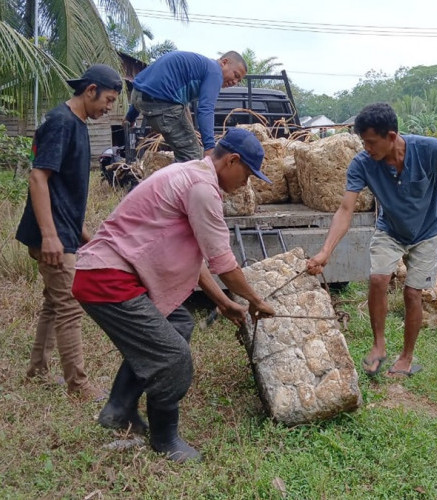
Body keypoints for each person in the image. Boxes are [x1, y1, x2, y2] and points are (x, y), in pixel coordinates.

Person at [72, 127, 276, 463]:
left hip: (115, 272)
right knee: (172, 357)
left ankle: (119, 409)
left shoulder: (190, 175)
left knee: (178, 323)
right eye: (248, 174)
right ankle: (165, 440)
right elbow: (222, 262)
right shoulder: (202, 188)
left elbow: (196, 261)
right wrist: (254, 299)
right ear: (232, 160)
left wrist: (224, 302)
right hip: (108, 278)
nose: (246, 182)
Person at [306, 103, 437, 378]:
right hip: (390, 229)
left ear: (391, 136)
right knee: (379, 279)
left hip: (427, 231)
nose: (366, 148)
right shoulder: (362, 164)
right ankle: (379, 345)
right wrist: (325, 251)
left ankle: (406, 357)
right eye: (363, 142)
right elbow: (346, 210)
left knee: (412, 293)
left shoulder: (429, 149)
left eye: (370, 142)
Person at [17, 64, 123, 401]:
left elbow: (63, 190)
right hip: (52, 235)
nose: (109, 108)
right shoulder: (61, 123)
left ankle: (37, 371)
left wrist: (84, 235)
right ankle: (78, 386)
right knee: (69, 305)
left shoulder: (75, 124)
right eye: (107, 99)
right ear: (90, 90)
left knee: (54, 303)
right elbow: (38, 178)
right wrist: (50, 236)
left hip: (64, 231)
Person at [124, 50, 248, 162]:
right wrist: (210, 147)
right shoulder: (215, 72)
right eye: (236, 75)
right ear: (224, 62)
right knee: (193, 157)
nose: (235, 82)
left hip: (137, 95)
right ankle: (166, 186)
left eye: (239, 80)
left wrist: (131, 116)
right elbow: (206, 109)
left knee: (189, 146)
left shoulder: (202, 66)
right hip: (160, 102)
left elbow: (146, 87)